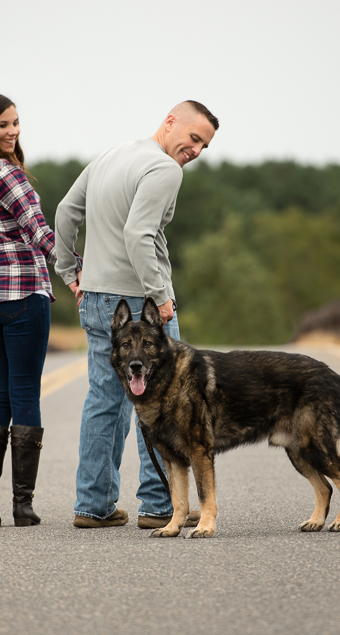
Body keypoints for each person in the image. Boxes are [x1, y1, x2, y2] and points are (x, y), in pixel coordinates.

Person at [54, 101, 219, 528]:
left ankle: (93, 506)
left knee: (103, 402)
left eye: (204, 144)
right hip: (139, 307)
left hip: (95, 299)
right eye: (194, 137)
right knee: (164, 403)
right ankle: (159, 505)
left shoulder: (110, 157)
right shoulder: (165, 169)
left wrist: (70, 271)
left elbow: (65, 212)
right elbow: (139, 234)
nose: (196, 150)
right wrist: (161, 298)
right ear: (170, 122)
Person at [0, 92, 79, 528]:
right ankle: (22, 506)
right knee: (24, 392)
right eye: (3, 125)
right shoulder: (8, 174)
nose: (13, 132)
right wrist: (75, 271)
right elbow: (38, 230)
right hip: (21, 293)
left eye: (16, 123)